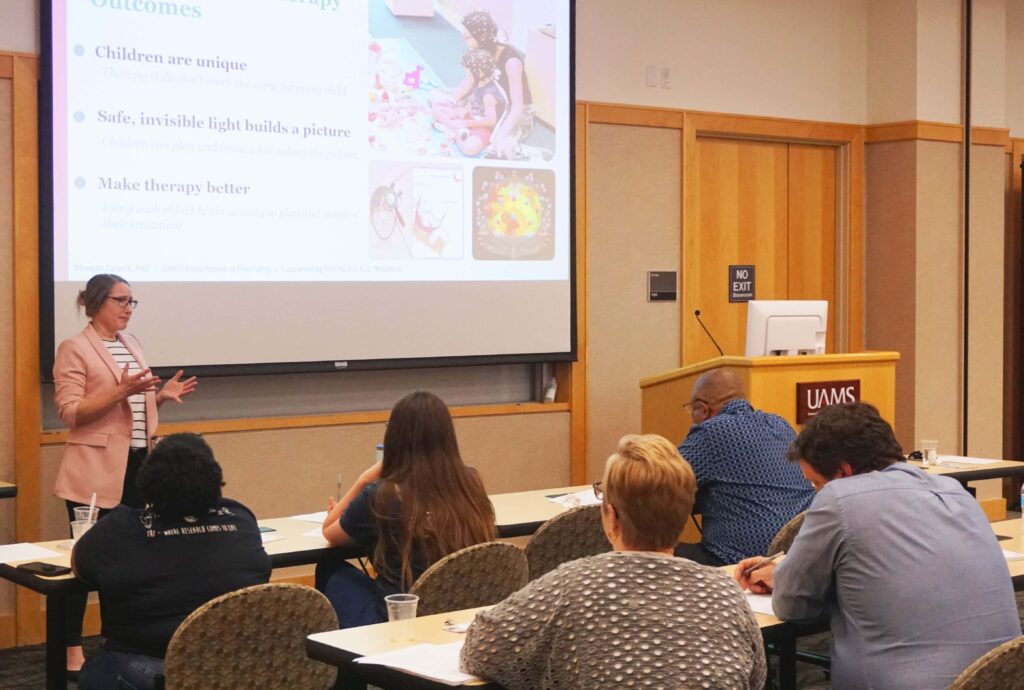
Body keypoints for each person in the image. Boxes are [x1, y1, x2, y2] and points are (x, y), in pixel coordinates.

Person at [735, 403, 1021, 690]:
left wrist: (792, 579)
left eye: (815, 483)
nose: (817, 491)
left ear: (843, 472)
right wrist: (785, 572)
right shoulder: (954, 491)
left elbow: (793, 606)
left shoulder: (838, 498)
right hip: (1000, 678)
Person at [461, 434, 766, 690]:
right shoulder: (726, 595)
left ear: (611, 516)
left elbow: (482, 650)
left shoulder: (571, 586)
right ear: (684, 514)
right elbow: (756, 678)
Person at [53, 273, 197, 676]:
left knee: (137, 559)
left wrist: (161, 398)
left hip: (139, 465)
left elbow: (133, 415)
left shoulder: (132, 345)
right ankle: (69, 648)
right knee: (85, 562)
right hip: (95, 469)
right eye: (121, 301)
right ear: (96, 302)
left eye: (133, 302)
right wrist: (121, 391)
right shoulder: (75, 348)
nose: (128, 309)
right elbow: (71, 412)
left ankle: (121, 641)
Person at [73, 433, 271, 690]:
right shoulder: (240, 518)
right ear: (214, 479)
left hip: (153, 668)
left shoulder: (121, 528)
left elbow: (81, 568)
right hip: (237, 662)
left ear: (147, 480)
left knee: (97, 671)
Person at [317, 390, 496, 627]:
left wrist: (363, 480)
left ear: (395, 436)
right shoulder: (469, 482)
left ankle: (344, 660)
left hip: (398, 619)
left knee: (329, 567)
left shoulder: (383, 494)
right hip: (461, 613)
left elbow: (330, 531)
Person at [676, 368, 813, 565]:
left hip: (736, 561)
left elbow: (662, 482)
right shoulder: (781, 424)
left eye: (692, 410)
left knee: (646, 552)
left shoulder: (711, 431)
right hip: (794, 559)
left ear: (703, 409)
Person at [431, 9, 534, 159]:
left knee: (500, 145)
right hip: (487, 99)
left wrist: (501, 134)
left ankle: (462, 130)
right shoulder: (481, 50)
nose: (465, 41)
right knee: (437, 100)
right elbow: (470, 80)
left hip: (512, 109)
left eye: (467, 37)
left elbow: (518, 106)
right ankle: (460, 127)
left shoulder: (511, 62)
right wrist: (452, 101)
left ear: (483, 36)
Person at [431, 48, 508, 156]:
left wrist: (465, 123)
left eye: (468, 71)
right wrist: (463, 111)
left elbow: (491, 121)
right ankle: (459, 130)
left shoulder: (488, 95)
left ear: (479, 71)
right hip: (469, 117)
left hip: (482, 127)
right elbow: (473, 99)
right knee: (435, 109)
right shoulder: (479, 81)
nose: (466, 73)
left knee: (470, 149)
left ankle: (457, 134)